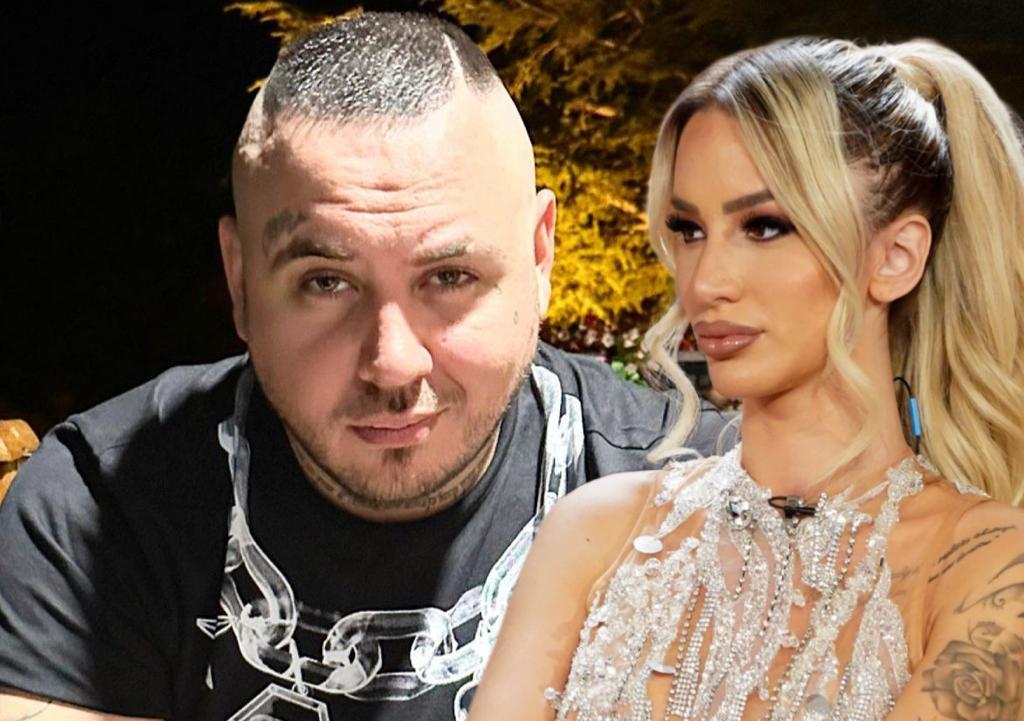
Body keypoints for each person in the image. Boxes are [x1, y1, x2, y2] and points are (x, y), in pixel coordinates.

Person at [0, 13, 731, 721]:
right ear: (241, 280)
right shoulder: (99, 515)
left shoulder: (706, 501)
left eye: (449, 277)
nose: (393, 363)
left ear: (539, 258)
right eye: (327, 282)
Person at [468, 36, 1024, 721]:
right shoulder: (591, 532)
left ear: (896, 257)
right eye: (689, 229)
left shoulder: (994, 568)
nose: (705, 282)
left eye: (763, 226)